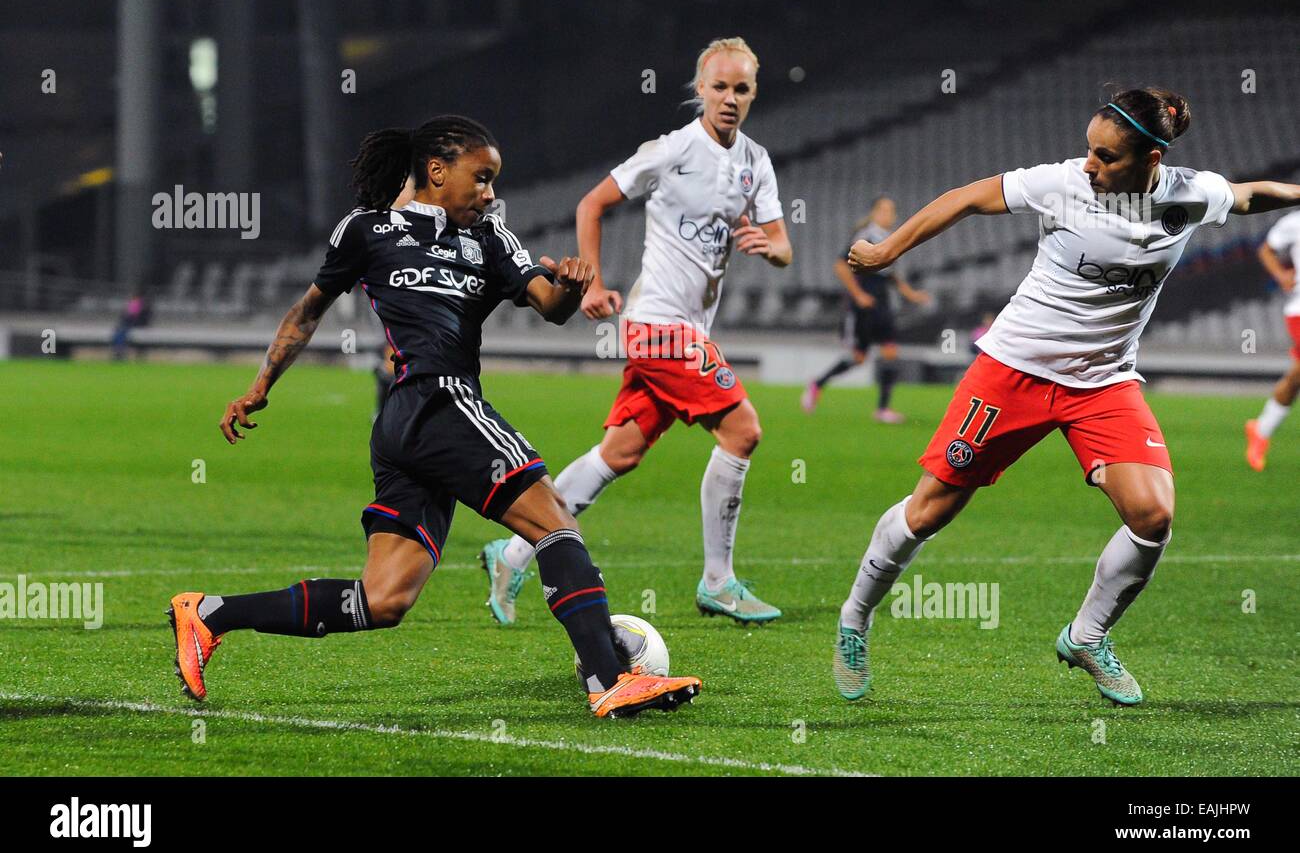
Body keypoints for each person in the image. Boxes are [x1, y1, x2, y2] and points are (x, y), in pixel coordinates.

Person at [169, 115, 702, 718]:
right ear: (437, 171)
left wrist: (574, 285)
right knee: (556, 524)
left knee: (384, 599)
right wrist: (260, 385)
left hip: (410, 422)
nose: (490, 193)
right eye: (481, 178)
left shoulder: (491, 239)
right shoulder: (367, 231)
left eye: (494, 181)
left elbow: (549, 304)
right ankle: (609, 679)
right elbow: (308, 310)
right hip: (434, 399)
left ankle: (210, 613)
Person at [830, 87, 1300, 705]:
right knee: (929, 513)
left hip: (1103, 383)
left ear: (1151, 158)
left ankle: (1087, 635)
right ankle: (855, 618)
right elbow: (969, 197)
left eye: (1105, 157)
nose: (1089, 165)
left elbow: (1245, 197)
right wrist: (890, 250)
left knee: (1153, 514)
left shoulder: (1189, 194)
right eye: (1088, 150)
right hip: (1014, 371)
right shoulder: (1064, 183)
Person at [479, 37, 793, 626]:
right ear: (699, 89)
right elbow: (591, 203)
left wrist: (766, 248)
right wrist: (592, 285)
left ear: (753, 94)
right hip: (658, 327)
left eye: (741, 89)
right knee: (743, 431)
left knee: (620, 452)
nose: (729, 98)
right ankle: (719, 582)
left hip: (684, 329)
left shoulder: (756, 161)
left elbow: (782, 246)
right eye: (719, 86)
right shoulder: (671, 151)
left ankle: (513, 551)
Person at [802, 196, 931, 421]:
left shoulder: (887, 238)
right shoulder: (865, 236)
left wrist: (911, 294)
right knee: (858, 357)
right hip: (863, 305)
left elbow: (890, 276)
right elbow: (840, 265)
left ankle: (882, 409)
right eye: (883, 209)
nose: (887, 214)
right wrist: (859, 295)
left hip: (882, 303)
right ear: (873, 213)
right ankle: (818, 383)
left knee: (890, 351)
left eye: (891, 210)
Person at [1244, 211, 1300, 470]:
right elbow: (1266, 250)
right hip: (1299, 309)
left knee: (1296, 377)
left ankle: (1261, 429)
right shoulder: (1294, 222)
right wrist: (1281, 275)